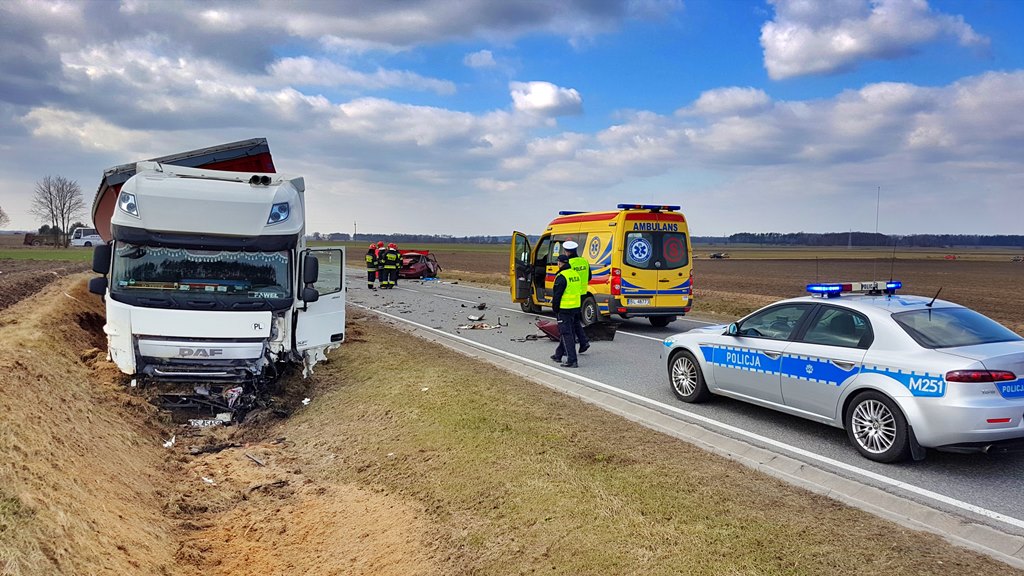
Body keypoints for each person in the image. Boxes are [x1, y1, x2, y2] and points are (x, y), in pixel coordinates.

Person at [550, 254, 582, 368]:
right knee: (569, 331)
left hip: (564, 309)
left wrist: (555, 309)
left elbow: (557, 295)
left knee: (566, 333)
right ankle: (558, 354)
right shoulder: (575, 274)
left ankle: (572, 360)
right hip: (575, 308)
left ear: (559, 263)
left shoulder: (561, 276)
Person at [562, 240, 591, 354]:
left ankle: (569, 347)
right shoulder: (584, 261)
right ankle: (582, 342)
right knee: (575, 320)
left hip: (571, 295)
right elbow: (589, 277)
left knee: (569, 322)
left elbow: (565, 279)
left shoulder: (569, 263)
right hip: (582, 294)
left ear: (567, 252)